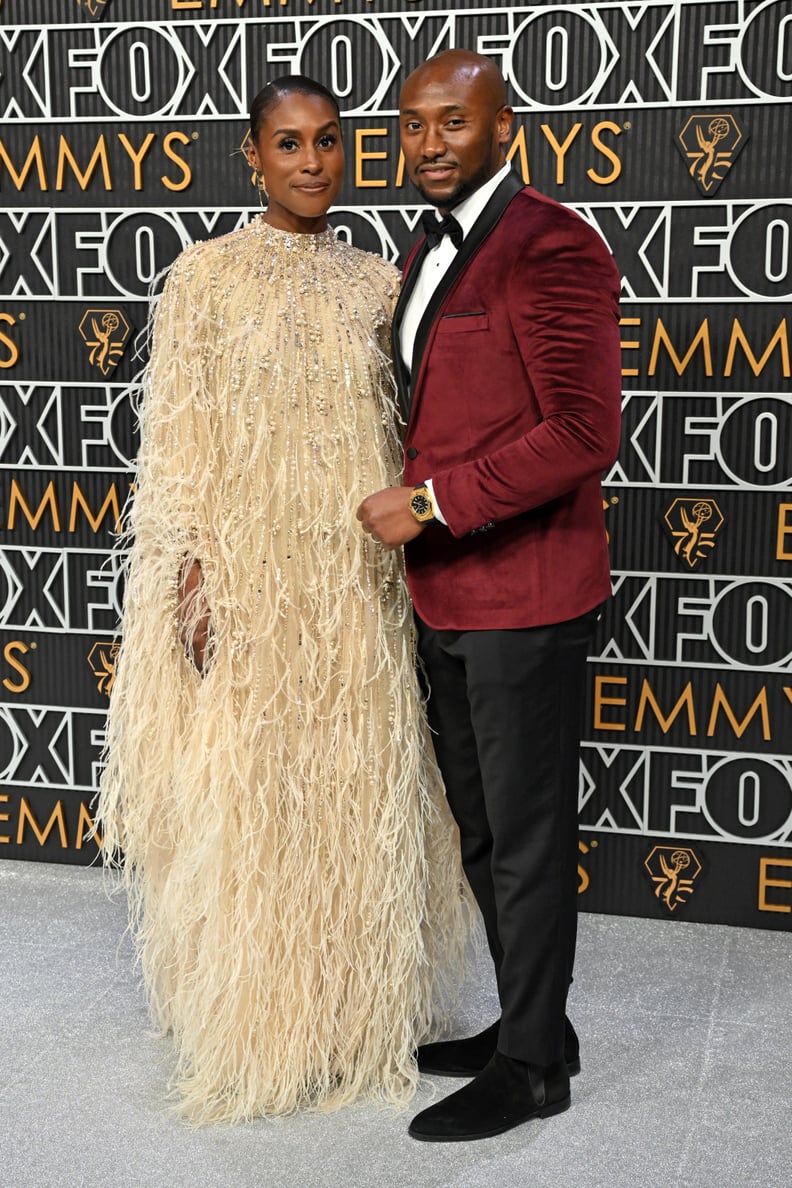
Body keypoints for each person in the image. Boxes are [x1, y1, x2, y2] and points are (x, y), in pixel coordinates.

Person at [97, 75, 468, 1126]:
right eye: (290, 145)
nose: (313, 163)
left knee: (353, 790)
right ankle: (262, 1024)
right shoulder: (204, 278)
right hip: (252, 578)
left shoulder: (376, 285)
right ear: (253, 158)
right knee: (255, 799)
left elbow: (414, 434)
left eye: (330, 143)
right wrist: (192, 571)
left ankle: (353, 1017)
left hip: (353, 583)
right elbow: (180, 435)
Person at [357, 49, 622, 1142]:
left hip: (526, 595)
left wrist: (430, 502)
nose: (428, 144)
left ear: (503, 128)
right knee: (481, 832)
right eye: (414, 126)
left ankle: (533, 1071)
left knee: (524, 839)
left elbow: (583, 432)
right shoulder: (427, 244)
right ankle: (534, 1024)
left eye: (453, 123)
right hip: (448, 599)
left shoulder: (550, 241)